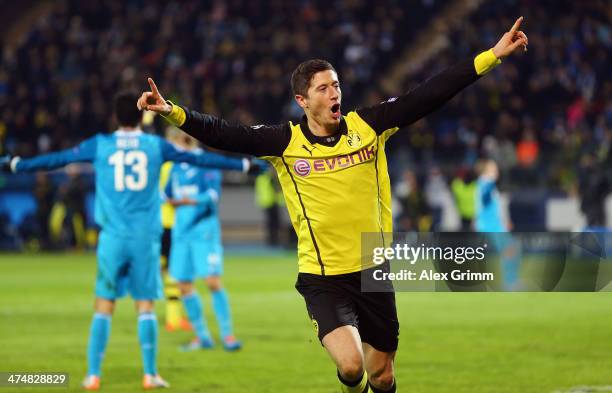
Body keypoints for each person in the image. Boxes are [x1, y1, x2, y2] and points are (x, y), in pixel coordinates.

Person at [138, 19, 528, 392]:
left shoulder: (369, 126)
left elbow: (429, 94)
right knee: (351, 365)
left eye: (336, 85)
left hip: (373, 269)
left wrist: (492, 55)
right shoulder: (285, 143)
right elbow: (224, 132)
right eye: (323, 88)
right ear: (302, 100)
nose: (334, 93)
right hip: (323, 278)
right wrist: (172, 110)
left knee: (383, 376)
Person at [2, 91, 254, 390]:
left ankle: (93, 375)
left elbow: (58, 159)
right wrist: (245, 166)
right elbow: (200, 158)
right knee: (145, 307)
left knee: (103, 305)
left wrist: (18, 164)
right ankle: (150, 375)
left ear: (114, 118)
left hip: (112, 239)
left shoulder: (100, 145)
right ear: (141, 117)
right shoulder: (155, 145)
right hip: (145, 239)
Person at [163, 132, 242, 352]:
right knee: (183, 284)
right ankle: (202, 336)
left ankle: (227, 335)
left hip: (203, 232)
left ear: (183, 141)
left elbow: (213, 196)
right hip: (181, 233)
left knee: (212, 282)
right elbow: (166, 193)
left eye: (173, 144)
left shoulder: (205, 164)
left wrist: (189, 200)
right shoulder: (176, 168)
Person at [475, 159, 521, 290]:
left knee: (510, 248)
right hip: (491, 226)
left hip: (494, 225)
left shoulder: (486, 184)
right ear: (486, 171)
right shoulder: (486, 184)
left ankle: (510, 281)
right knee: (510, 249)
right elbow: (484, 201)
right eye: (493, 168)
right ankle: (510, 282)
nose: (496, 171)